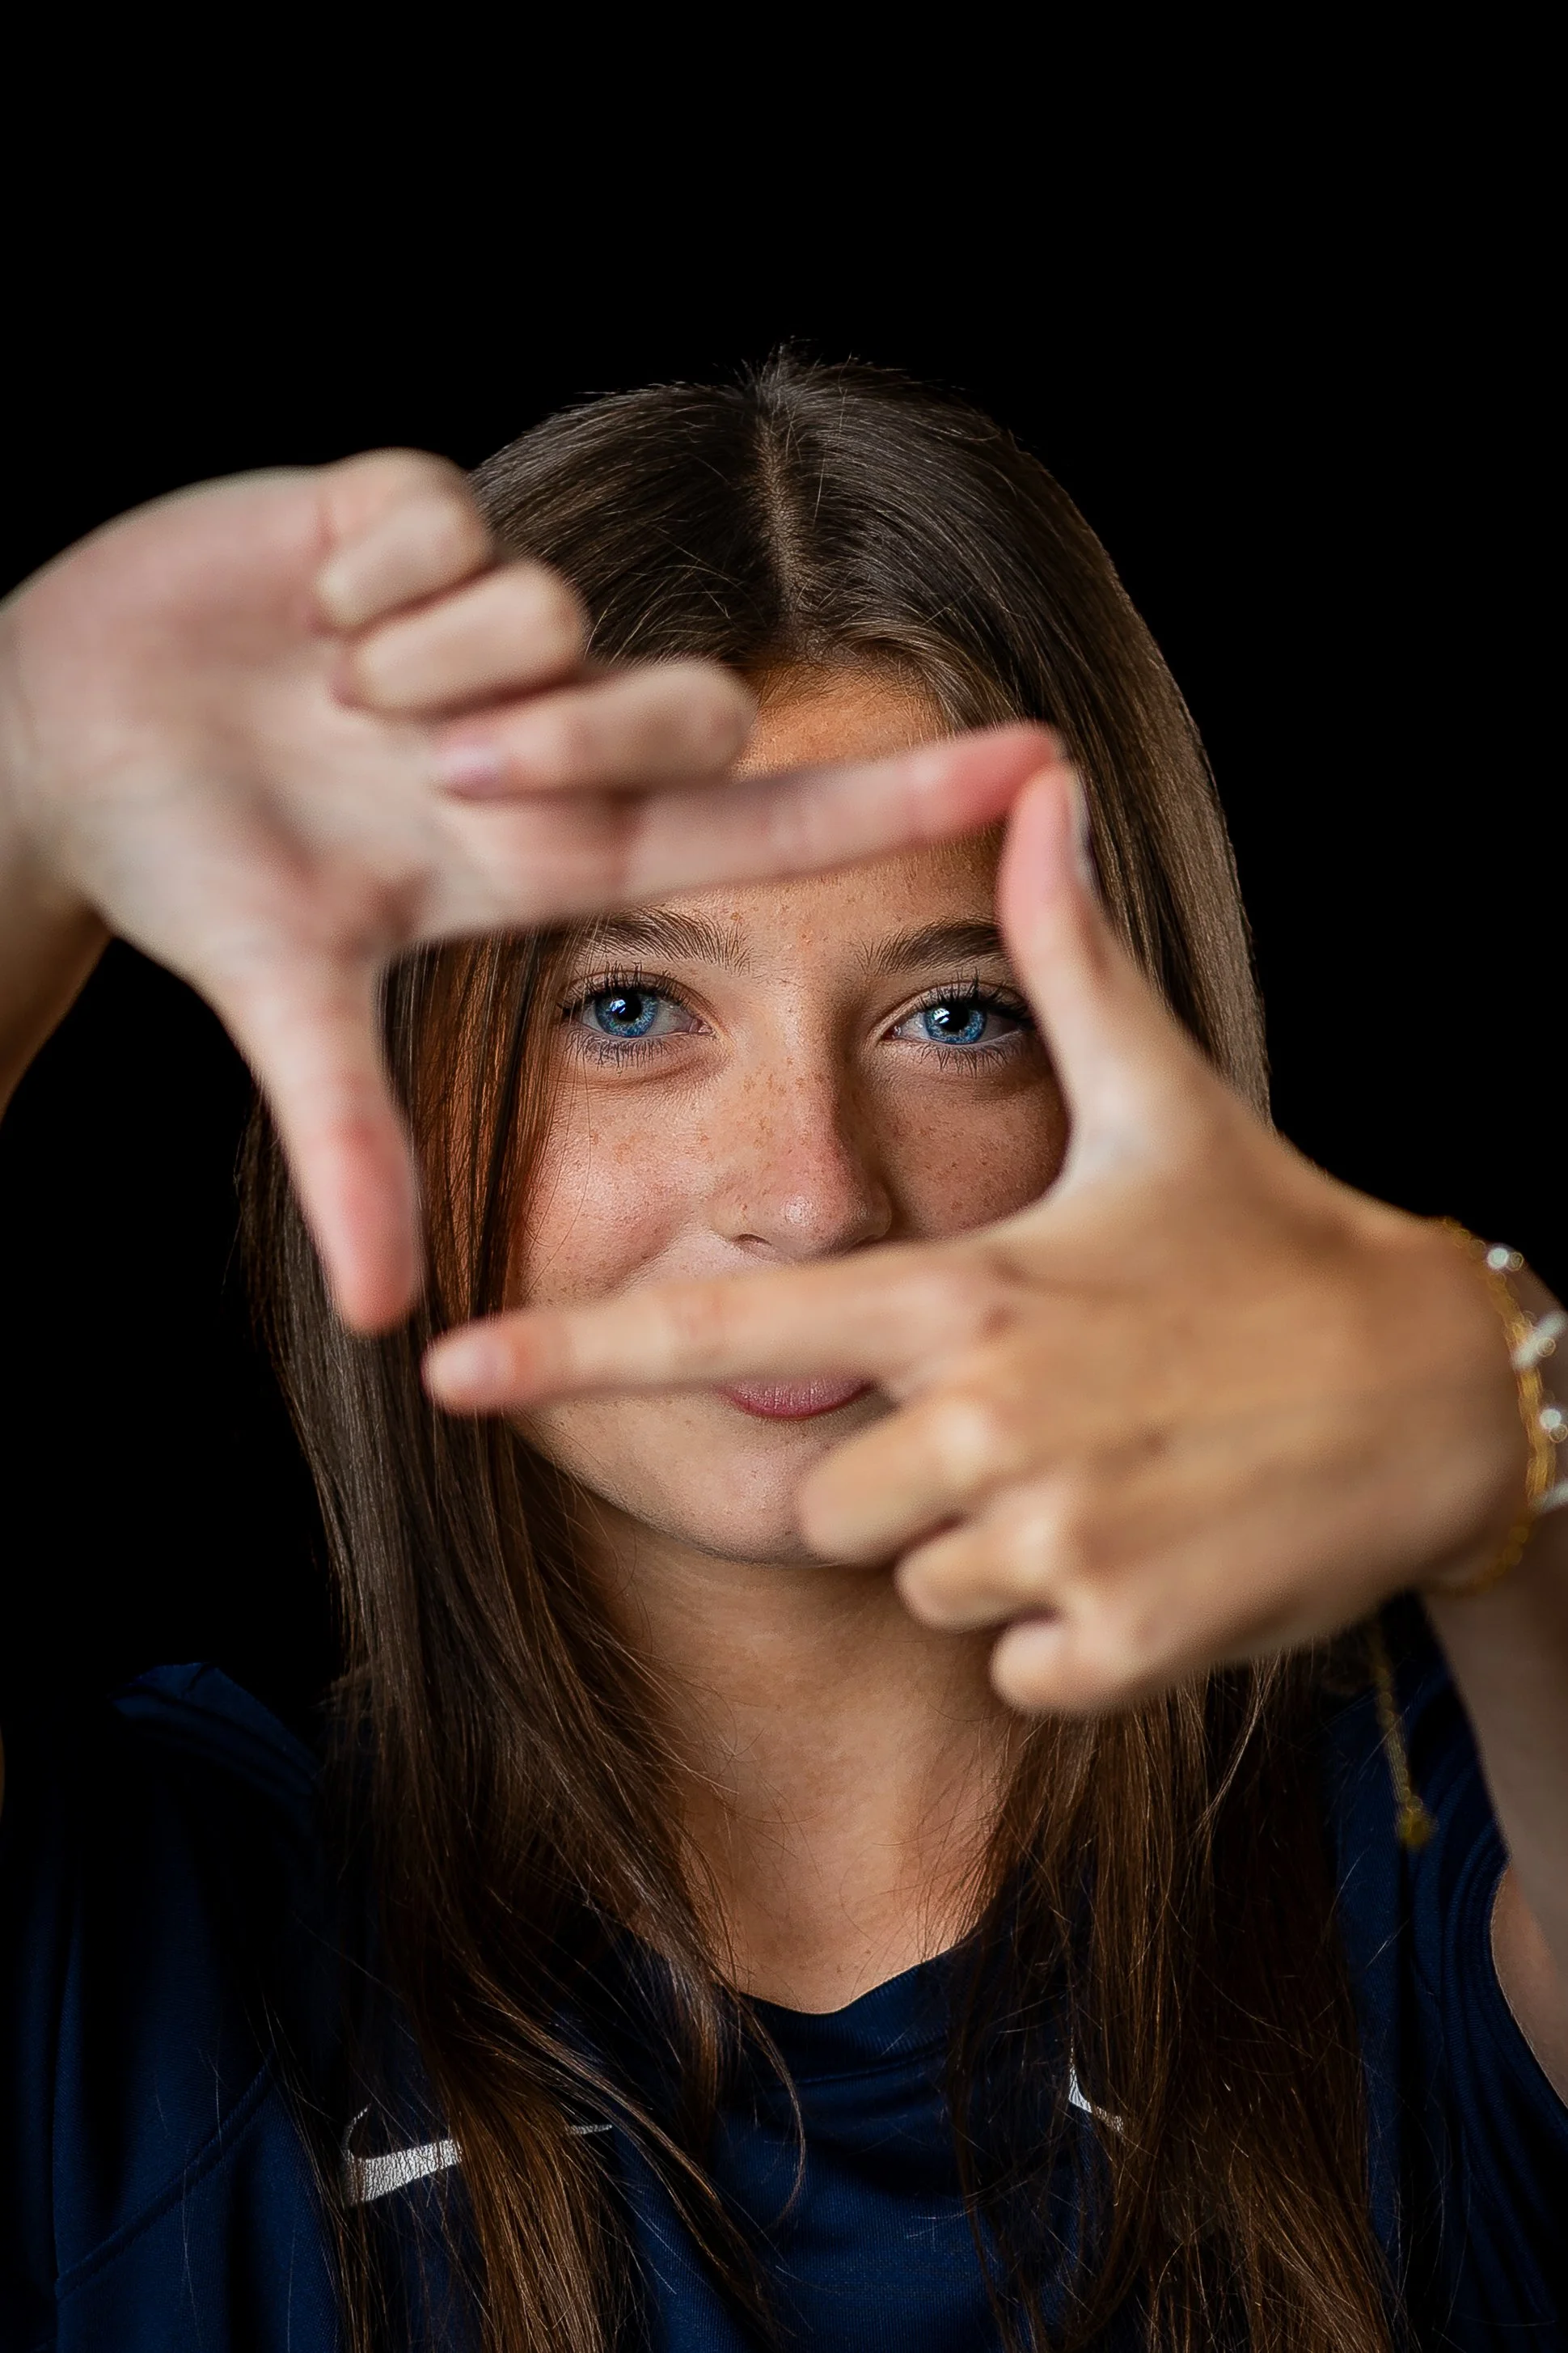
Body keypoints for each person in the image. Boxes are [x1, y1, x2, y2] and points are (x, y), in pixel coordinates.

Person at [1, 360, 1562, 2351]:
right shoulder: (157, 1934)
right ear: (403, 1054)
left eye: (954, 1014)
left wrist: (1515, 1417)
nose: (810, 1194)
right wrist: (22, 781)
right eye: (634, 1005)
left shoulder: (1413, 1894)